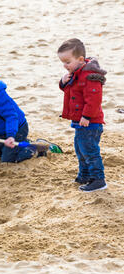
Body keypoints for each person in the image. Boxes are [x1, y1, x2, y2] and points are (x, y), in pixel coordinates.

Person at [57, 38, 107, 192]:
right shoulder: (76, 73)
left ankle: (98, 179)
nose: (65, 66)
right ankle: (84, 175)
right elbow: (70, 91)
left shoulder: (90, 76)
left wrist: (86, 116)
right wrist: (63, 82)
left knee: (90, 150)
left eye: (67, 62)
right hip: (79, 121)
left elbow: (94, 100)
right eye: (62, 62)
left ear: (80, 59)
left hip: (90, 122)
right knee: (80, 148)